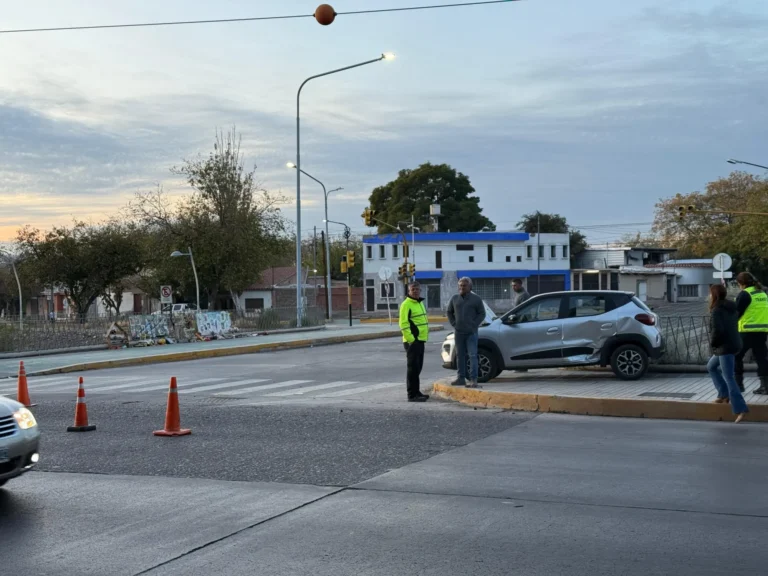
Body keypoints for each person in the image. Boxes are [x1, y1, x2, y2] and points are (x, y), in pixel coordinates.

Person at [707, 284, 748, 423]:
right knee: (711, 366)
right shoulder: (731, 307)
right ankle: (723, 394)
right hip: (733, 343)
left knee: (729, 377)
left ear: (714, 295)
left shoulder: (716, 310)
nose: (709, 296)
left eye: (710, 294)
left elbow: (717, 331)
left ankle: (740, 409)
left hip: (724, 347)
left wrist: (712, 343)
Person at [446, 277, 486, 388]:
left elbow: (482, 314)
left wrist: (474, 325)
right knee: (460, 355)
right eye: (460, 285)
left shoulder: (476, 299)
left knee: (472, 355)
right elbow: (449, 312)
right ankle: (461, 378)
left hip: (471, 333)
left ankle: (473, 379)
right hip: (459, 332)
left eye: (464, 285)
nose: (462, 287)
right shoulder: (454, 298)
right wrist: (454, 324)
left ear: (470, 287)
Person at [734, 272, 768, 395]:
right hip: (762, 331)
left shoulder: (745, 294)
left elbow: (736, 313)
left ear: (741, 283)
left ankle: (738, 385)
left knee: (736, 356)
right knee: (761, 358)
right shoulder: (762, 293)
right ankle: (765, 386)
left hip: (746, 332)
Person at [399, 281, 430, 402]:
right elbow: (403, 324)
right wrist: (411, 340)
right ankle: (412, 395)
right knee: (412, 369)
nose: (415, 291)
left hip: (420, 340)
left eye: (417, 289)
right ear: (409, 291)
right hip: (412, 341)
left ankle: (417, 391)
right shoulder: (406, 304)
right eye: (413, 289)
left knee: (418, 368)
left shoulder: (419, 303)